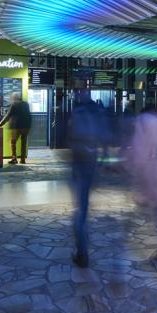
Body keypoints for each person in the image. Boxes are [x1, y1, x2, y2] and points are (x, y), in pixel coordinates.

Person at [128, 105, 157, 266]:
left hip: (149, 169)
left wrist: (136, 173)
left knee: (151, 209)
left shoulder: (142, 121)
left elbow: (139, 149)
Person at [68, 90, 103, 268]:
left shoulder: (77, 112)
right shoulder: (96, 112)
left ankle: (82, 251)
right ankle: (83, 245)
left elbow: (71, 135)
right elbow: (103, 137)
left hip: (79, 162)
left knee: (80, 210)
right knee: (84, 206)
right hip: (91, 161)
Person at [0, 92, 32, 164]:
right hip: (26, 127)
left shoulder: (14, 104)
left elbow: (8, 115)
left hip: (16, 127)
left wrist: (0, 124)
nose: (12, 99)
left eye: (12, 97)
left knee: (13, 142)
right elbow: (29, 115)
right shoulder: (26, 104)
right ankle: (23, 159)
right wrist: (29, 126)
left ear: (15, 97)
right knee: (23, 143)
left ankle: (14, 159)